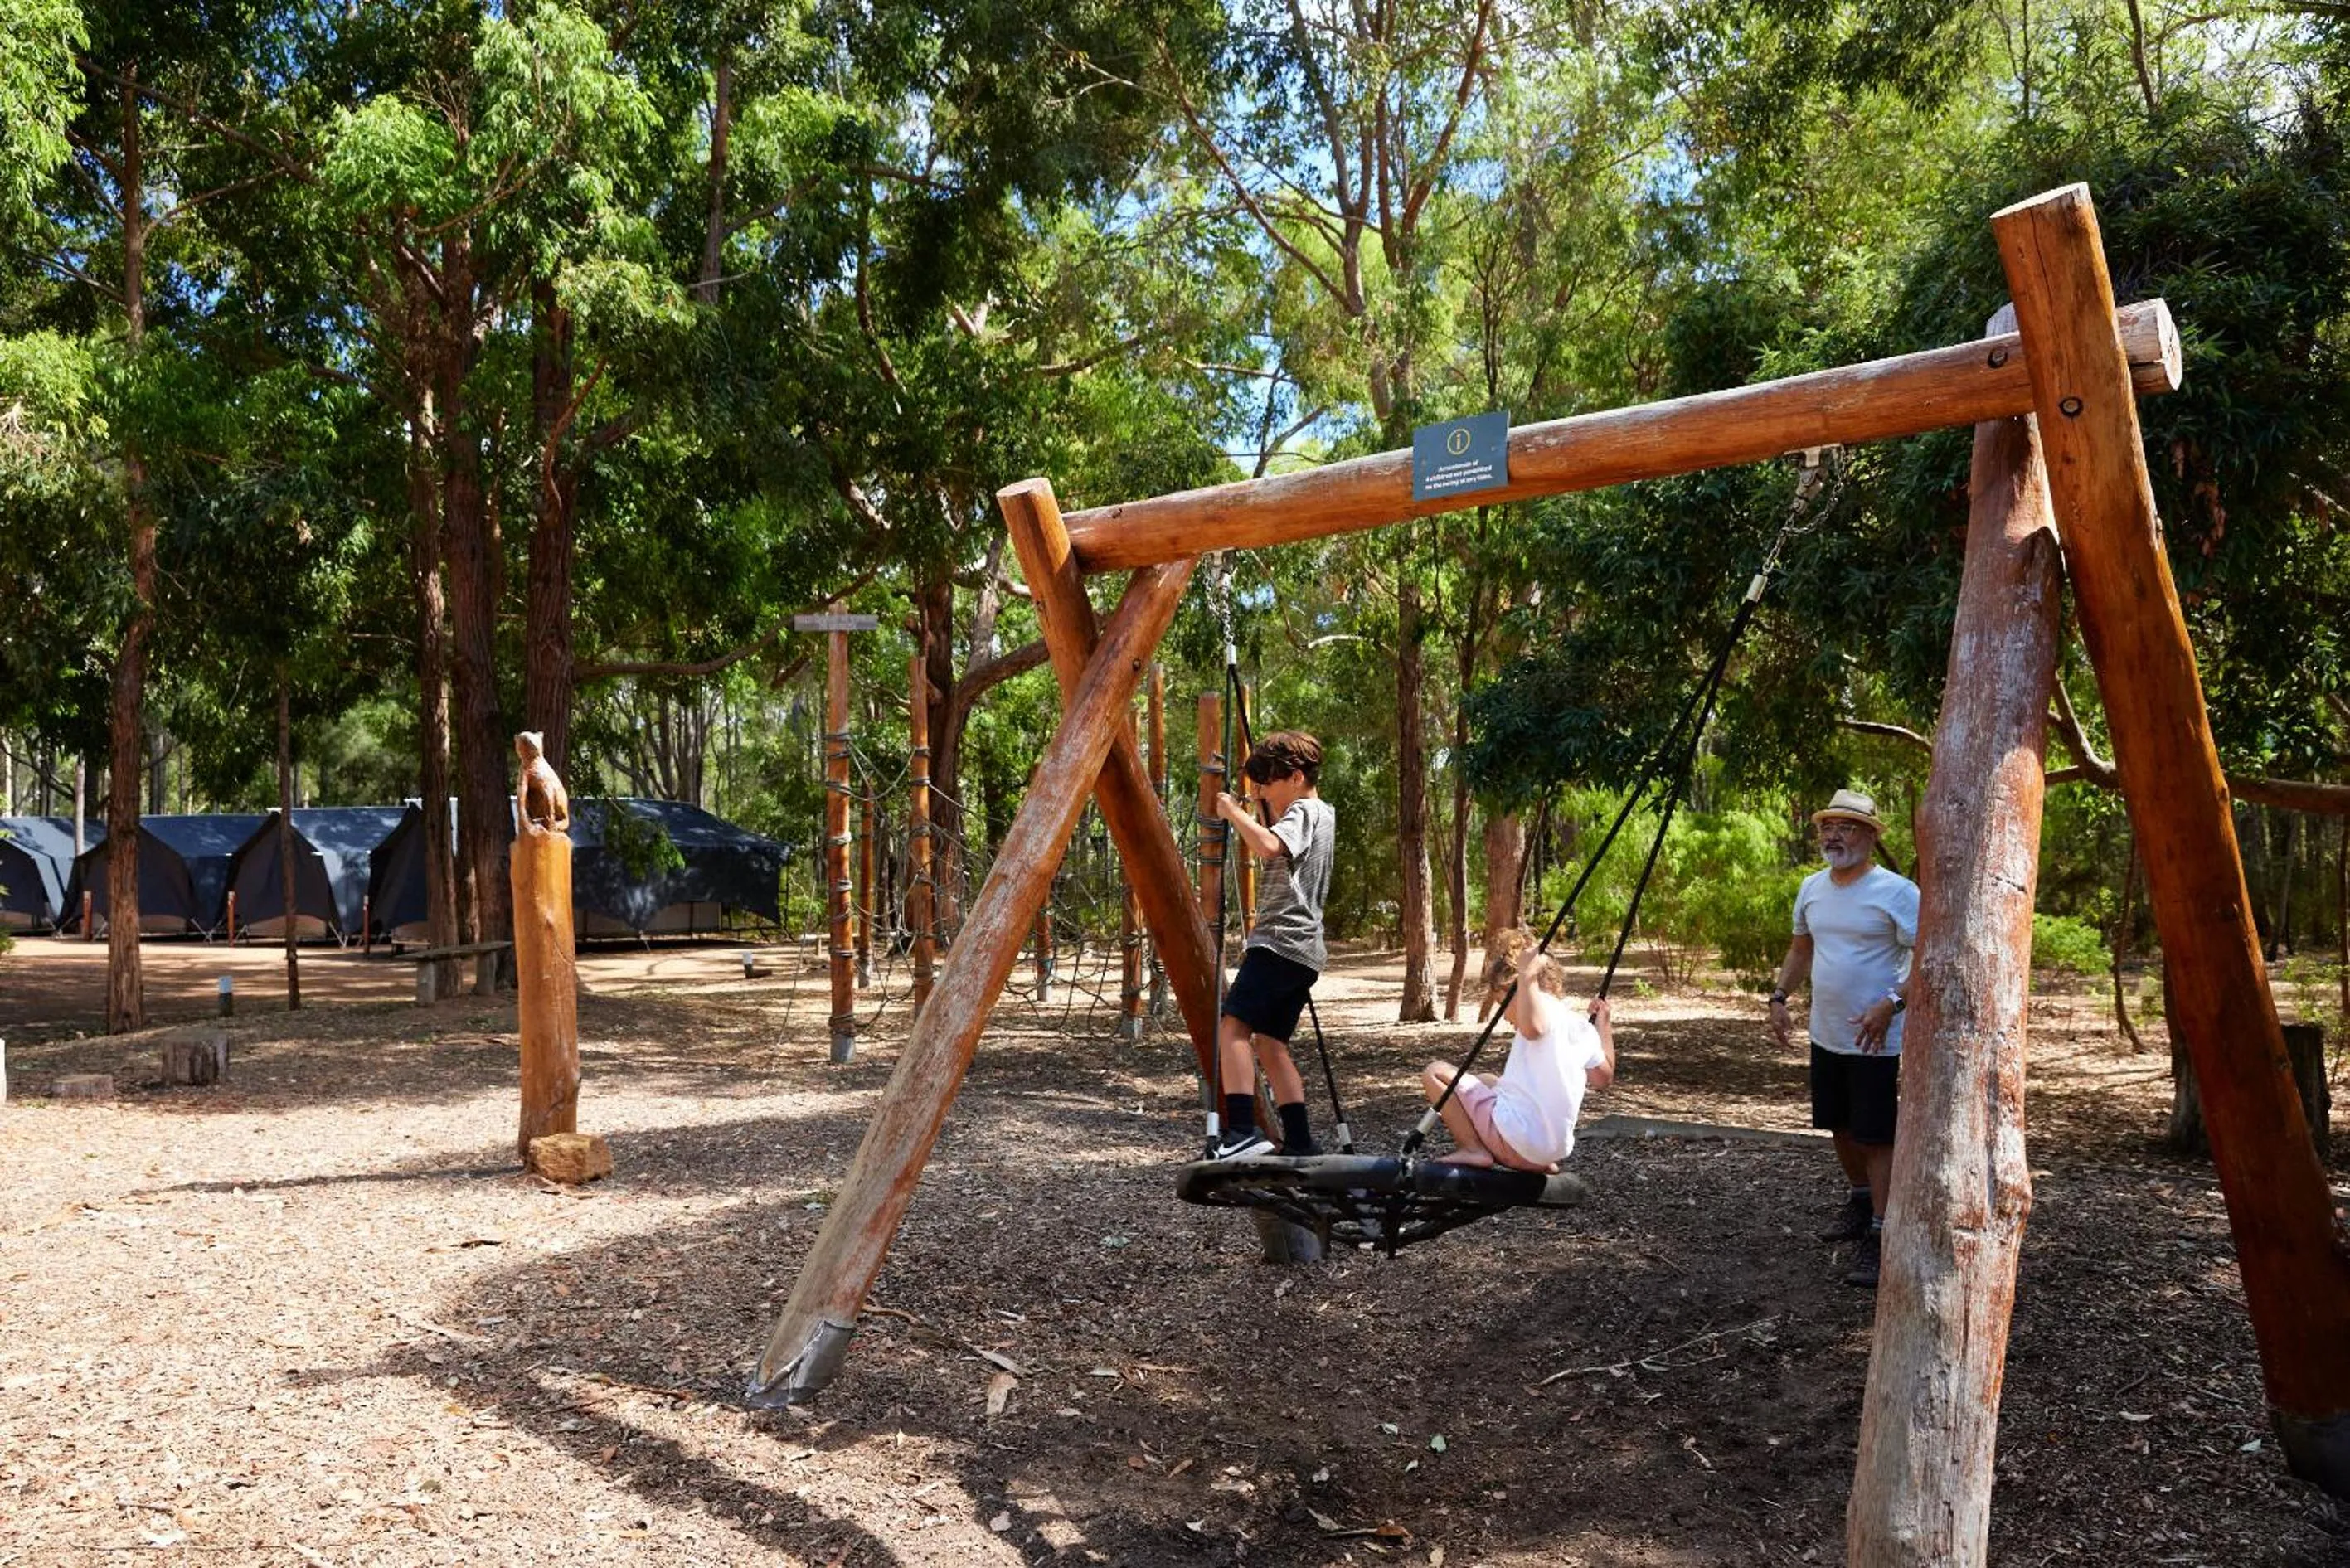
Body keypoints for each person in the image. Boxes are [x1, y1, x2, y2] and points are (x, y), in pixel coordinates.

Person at [1767, 789, 1920, 1289]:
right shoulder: (1812, 887)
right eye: (1828, 826)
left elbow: (1928, 957)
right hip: (1827, 1033)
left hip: (1877, 1039)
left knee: (1876, 1135)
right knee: (1838, 1125)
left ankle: (1883, 1234)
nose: (1835, 835)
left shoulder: (1898, 892)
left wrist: (1892, 1003)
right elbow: (1800, 949)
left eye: (1848, 826)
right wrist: (1779, 997)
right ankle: (1859, 1206)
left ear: (1872, 836)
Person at [1207, 731, 1337, 1159]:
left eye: (1269, 784)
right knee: (1270, 1043)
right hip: (1304, 951)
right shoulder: (1325, 813)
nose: (1264, 793)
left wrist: (1231, 812)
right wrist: (1261, 806)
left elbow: (1268, 845)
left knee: (1233, 1029)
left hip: (1279, 942)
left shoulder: (1302, 809)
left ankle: (1242, 1131)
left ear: (1296, 777)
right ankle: (1299, 1140)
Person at [1422, 930, 1615, 1171]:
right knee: (1489, 1081)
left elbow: (1534, 1027)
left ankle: (1472, 1149)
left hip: (1514, 1139)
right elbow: (1603, 1078)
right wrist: (1603, 1025)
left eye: (1502, 1003)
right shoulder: (1578, 1025)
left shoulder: (1539, 1012)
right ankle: (1535, 1161)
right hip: (1549, 1151)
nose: (1503, 1015)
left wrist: (1527, 977)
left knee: (1435, 1072)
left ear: (1522, 989)